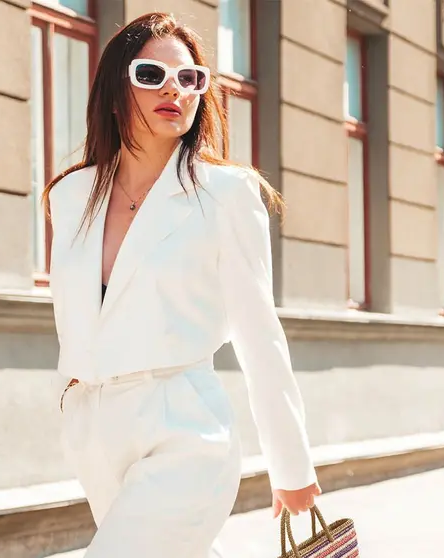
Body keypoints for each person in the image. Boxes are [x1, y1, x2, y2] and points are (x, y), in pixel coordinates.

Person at [44, 12, 320, 558]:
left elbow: (258, 333)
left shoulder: (225, 194)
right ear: (116, 89)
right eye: (152, 75)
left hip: (185, 431)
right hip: (95, 432)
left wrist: (291, 464)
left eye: (191, 78)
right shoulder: (71, 195)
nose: (175, 89)